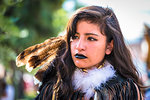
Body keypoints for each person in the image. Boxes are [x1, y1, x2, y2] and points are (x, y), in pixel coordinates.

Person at [16, 6, 145, 100]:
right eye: (75, 37)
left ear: (109, 46)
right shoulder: (53, 86)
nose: (79, 46)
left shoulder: (125, 90)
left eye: (91, 38)